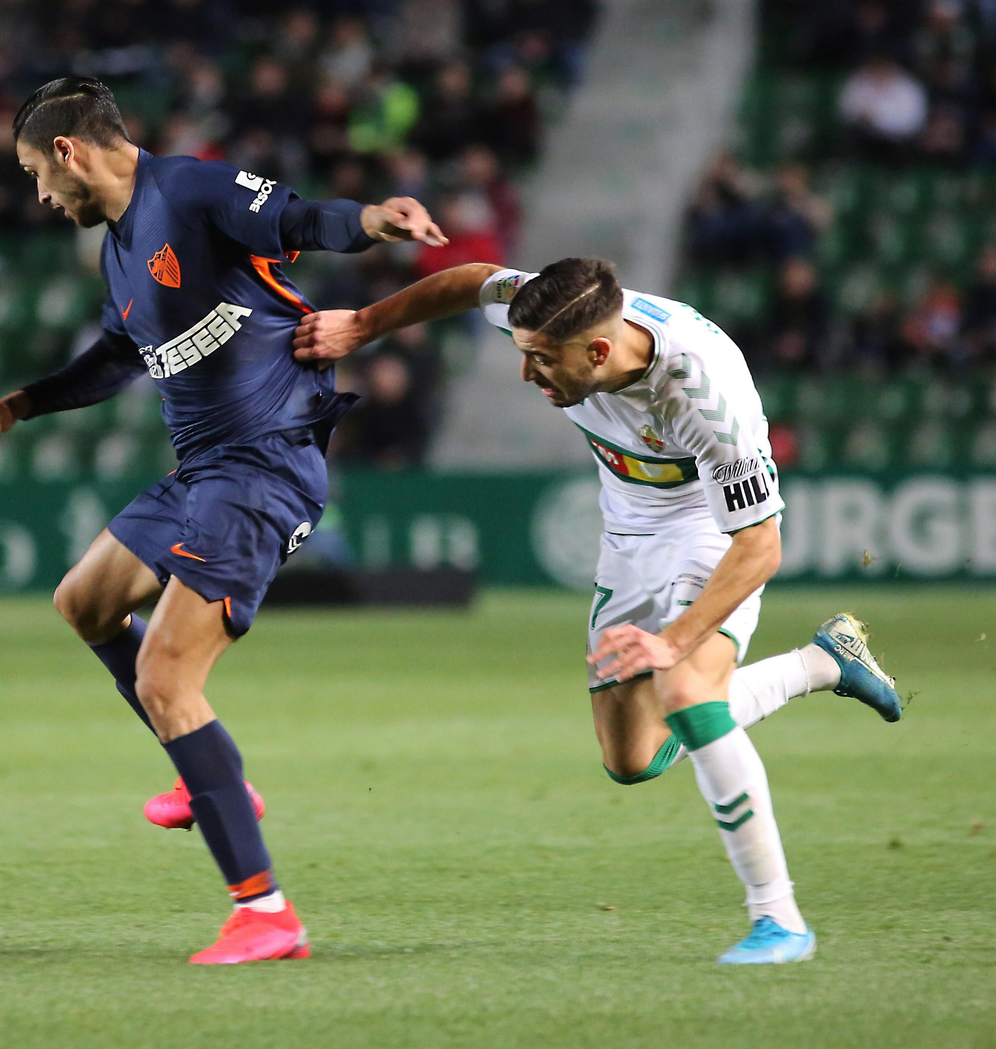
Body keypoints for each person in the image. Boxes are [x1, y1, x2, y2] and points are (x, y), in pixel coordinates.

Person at [0, 77, 445, 964]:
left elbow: (298, 218)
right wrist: (17, 405)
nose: (39, 196)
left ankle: (265, 911)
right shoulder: (119, 246)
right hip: (204, 473)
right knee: (84, 602)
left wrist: (373, 220)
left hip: (263, 468)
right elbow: (119, 356)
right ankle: (210, 772)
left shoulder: (189, 190)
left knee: (167, 679)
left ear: (67, 151)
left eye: (33, 174)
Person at [292, 257, 904, 965]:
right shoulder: (545, 308)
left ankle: (779, 918)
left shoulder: (703, 397)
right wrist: (364, 325)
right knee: (633, 758)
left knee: (687, 692)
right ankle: (822, 663)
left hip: (708, 529)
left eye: (542, 360)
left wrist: (675, 641)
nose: (527, 373)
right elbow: (470, 280)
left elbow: (760, 546)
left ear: (599, 351)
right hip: (627, 529)